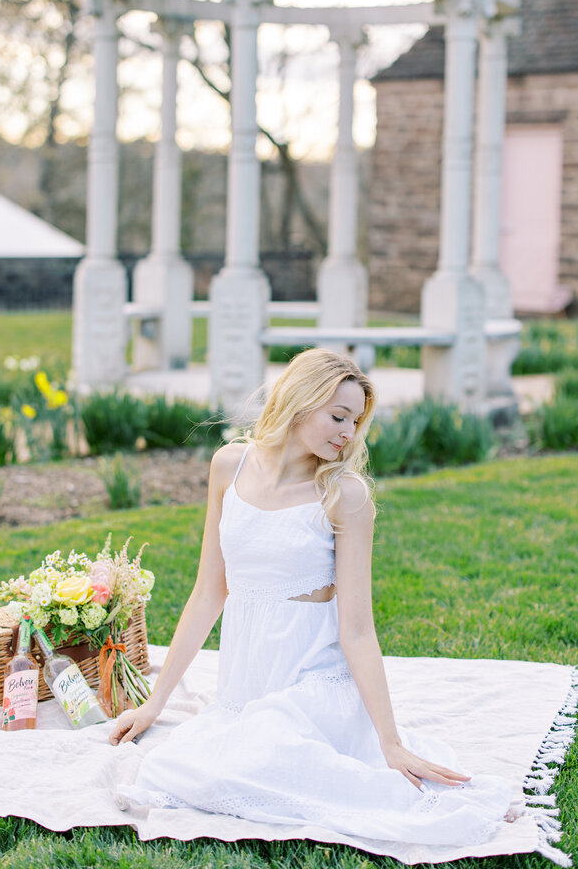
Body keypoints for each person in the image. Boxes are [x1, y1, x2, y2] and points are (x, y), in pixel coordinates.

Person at [108, 348, 512, 846]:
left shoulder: (345, 495)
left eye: (356, 422)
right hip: (245, 682)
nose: (348, 433)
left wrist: (389, 741)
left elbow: (358, 630)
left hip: (313, 679)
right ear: (300, 401)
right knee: (181, 768)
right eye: (338, 416)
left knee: (256, 764)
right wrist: (153, 704)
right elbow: (208, 594)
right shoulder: (228, 466)